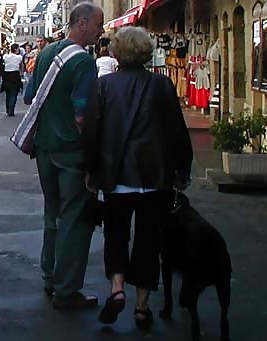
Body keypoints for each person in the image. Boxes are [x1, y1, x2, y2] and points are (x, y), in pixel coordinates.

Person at [82, 26, 192, 329]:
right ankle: (142, 307)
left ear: (116, 52)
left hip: (117, 176)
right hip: (154, 176)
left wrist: (91, 171)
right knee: (148, 242)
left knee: (116, 235)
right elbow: (177, 132)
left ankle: (117, 289)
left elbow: (92, 133)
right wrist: (183, 169)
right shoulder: (162, 85)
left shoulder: (104, 86)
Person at [28, 2, 104, 309]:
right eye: (98, 26)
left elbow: (29, 95)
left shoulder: (46, 53)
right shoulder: (83, 62)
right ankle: (67, 289)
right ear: (82, 24)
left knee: (52, 213)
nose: (101, 32)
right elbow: (82, 116)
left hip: (45, 147)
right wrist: (93, 158)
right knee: (75, 219)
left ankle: (50, 276)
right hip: (71, 152)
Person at [2, 43, 24, 116]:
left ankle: (8, 109)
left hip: (6, 75)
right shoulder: (19, 57)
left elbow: (3, 63)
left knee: (7, 93)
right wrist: (21, 74)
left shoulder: (5, 56)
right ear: (15, 49)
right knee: (14, 93)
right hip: (15, 75)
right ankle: (11, 110)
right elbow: (22, 67)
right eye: (18, 48)